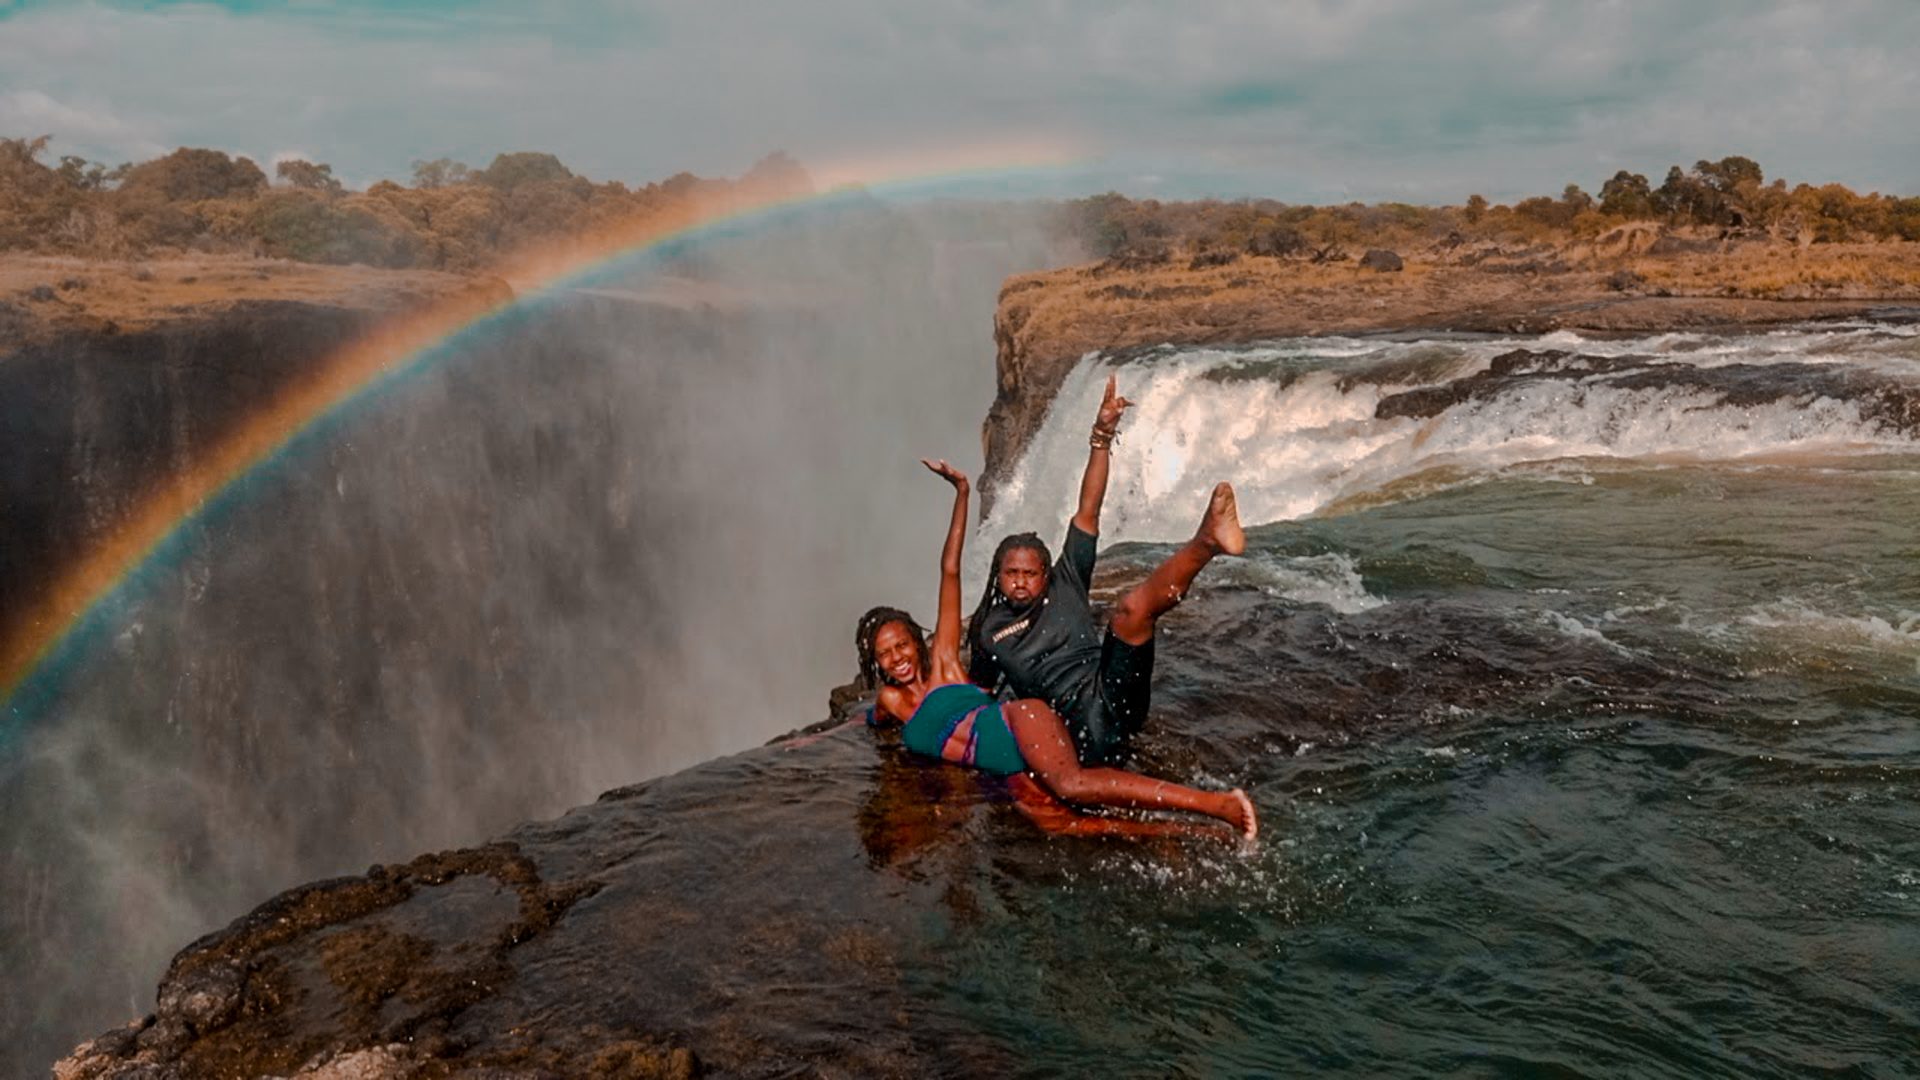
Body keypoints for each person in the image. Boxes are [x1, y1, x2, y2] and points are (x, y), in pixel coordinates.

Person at [861, 458, 1255, 840]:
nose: (897, 658)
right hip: (1012, 763)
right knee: (1061, 822)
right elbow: (875, 716)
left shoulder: (946, 665)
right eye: (885, 654)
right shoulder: (893, 700)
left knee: (1073, 784)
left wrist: (962, 492)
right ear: (875, 662)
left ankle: (1219, 805)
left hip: (1026, 721)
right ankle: (1197, 833)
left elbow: (950, 570)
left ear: (918, 641)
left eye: (902, 646)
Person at [968, 375, 1245, 765]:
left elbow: (1088, 508)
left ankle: (1208, 542)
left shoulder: (1068, 579)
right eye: (1011, 573)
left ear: (1046, 574)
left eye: (1029, 574)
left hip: (1112, 693)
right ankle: (1209, 540)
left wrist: (1101, 435)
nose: (1019, 581)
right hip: (1074, 731)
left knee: (1132, 610)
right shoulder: (990, 629)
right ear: (998, 576)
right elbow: (976, 695)